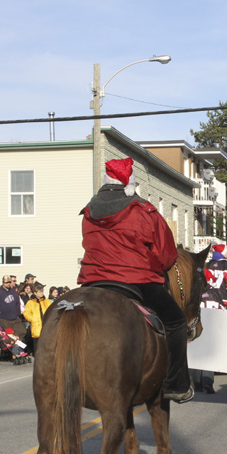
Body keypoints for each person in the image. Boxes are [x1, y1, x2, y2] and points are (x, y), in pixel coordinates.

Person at [77, 157, 193, 403]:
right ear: (130, 184)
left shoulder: (88, 212)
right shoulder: (144, 210)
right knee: (176, 322)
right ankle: (176, 385)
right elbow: (166, 254)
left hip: (93, 282)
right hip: (137, 281)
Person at [0, 274, 24, 357]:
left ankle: (16, 348)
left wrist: (18, 314)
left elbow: (17, 304)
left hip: (15, 317)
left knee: (22, 331)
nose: (8, 284)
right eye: (7, 282)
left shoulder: (14, 292)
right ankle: (11, 352)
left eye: (10, 282)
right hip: (3, 318)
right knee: (8, 335)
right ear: (3, 282)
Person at [23, 282, 52, 358]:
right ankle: (37, 356)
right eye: (40, 292)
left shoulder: (46, 301)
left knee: (46, 342)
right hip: (36, 326)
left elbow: (52, 310)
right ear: (35, 293)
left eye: (42, 291)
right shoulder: (30, 302)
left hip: (46, 325)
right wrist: (32, 319)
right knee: (37, 343)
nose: (42, 293)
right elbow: (26, 313)